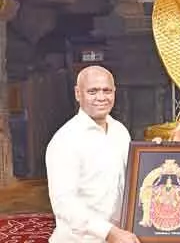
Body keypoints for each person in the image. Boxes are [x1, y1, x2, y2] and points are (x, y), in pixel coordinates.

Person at [45, 66, 139, 243]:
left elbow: (131, 180)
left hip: (120, 236)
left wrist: (154, 160)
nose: (101, 97)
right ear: (78, 93)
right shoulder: (65, 140)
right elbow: (64, 203)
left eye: (107, 91)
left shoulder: (120, 131)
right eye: (92, 91)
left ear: (114, 93)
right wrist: (108, 232)